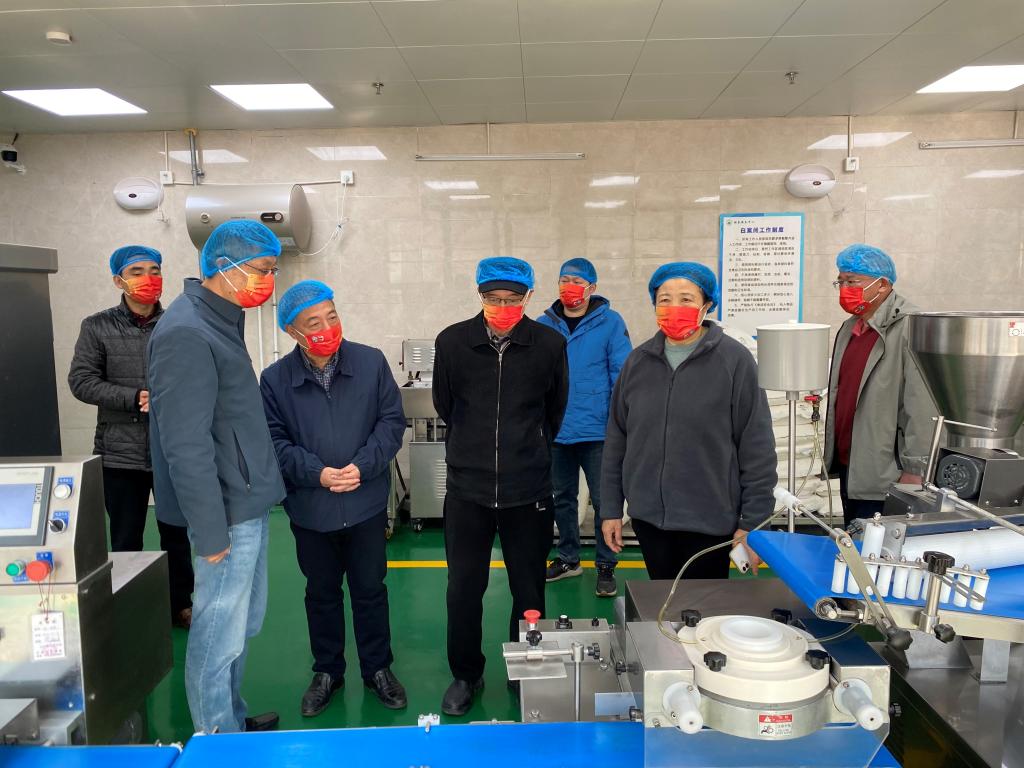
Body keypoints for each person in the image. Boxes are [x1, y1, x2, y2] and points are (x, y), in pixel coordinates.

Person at [148, 221, 286, 734]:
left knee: (241, 623)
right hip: (224, 512)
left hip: (246, 500)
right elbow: (185, 446)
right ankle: (215, 739)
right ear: (224, 267)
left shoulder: (219, 317)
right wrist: (209, 534)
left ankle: (232, 719)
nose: (268, 281)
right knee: (217, 630)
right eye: (263, 270)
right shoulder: (186, 331)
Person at [260, 280, 407, 717]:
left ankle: (377, 669)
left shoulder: (370, 362)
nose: (327, 328)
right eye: (314, 323)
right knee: (321, 593)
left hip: (365, 504)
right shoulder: (275, 380)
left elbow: (391, 422)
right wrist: (317, 474)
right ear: (292, 331)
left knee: (370, 589)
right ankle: (327, 671)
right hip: (312, 510)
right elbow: (273, 441)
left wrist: (363, 465)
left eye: (332, 316)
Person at [433, 256, 569, 716]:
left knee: (528, 590)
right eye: (493, 298)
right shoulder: (453, 342)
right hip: (467, 492)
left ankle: (524, 666)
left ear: (528, 297)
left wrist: (526, 449)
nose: (503, 306)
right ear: (480, 295)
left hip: (528, 492)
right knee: (462, 590)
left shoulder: (549, 345)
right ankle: (466, 673)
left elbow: (554, 411)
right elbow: (446, 406)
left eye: (512, 298)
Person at [600, 263, 776, 581]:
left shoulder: (734, 361)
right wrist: (611, 508)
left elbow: (757, 446)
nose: (674, 307)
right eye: (664, 299)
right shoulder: (638, 362)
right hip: (649, 520)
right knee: (661, 604)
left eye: (686, 299)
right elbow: (617, 440)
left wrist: (753, 522)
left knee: (704, 608)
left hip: (710, 521)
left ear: (707, 304)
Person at [68, 245, 194, 629]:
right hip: (119, 453)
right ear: (118, 280)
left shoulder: (179, 323)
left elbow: (196, 377)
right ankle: (128, 607)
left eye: (154, 270)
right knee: (125, 538)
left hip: (172, 450)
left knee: (177, 534)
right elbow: (81, 381)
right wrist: (133, 397)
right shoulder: (97, 327)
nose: (148, 278)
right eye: (136, 271)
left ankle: (180, 604)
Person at [536, 257, 631, 597]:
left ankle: (606, 565)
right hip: (557, 430)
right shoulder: (544, 324)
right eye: (564, 280)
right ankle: (568, 558)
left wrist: (619, 424)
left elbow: (622, 375)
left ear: (592, 287)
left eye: (577, 281)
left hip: (598, 431)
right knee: (562, 498)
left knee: (606, 502)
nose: (569, 286)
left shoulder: (610, 322)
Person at [823, 244, 934, 527]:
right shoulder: (850, 328)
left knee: (881, 549)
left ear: (882, 284)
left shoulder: (910, 327)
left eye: (852, 282)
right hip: (853, 465)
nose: (844, 289)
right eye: (841, 281)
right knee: (856, 543)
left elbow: (922, 406)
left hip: (889, 473)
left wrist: (915, 468)